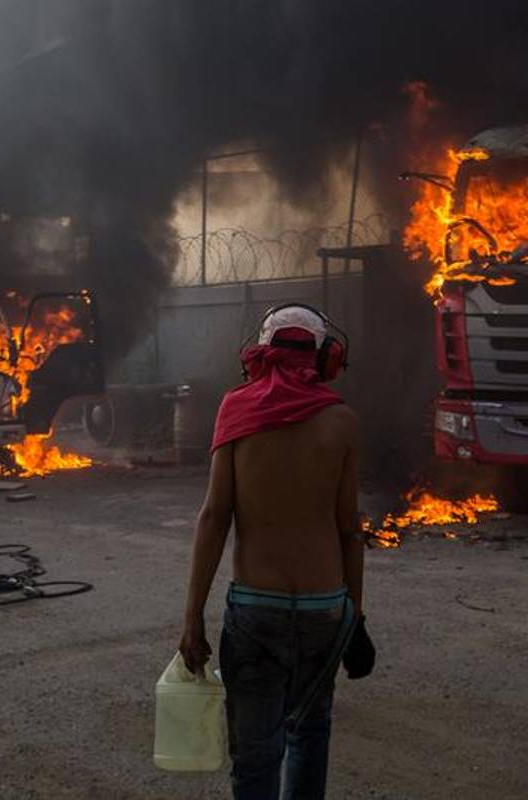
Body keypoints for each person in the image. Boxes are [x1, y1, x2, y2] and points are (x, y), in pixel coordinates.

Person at [179, 304, 370, 800]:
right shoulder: (342, 421)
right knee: (310, 731)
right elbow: (350, 530)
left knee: (256, 756)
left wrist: (192, 617)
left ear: (257, 356)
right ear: (327, 358)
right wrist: (357, 621)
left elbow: (214, 517)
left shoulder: (235, 410)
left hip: (255, 611)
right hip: (324, 611)